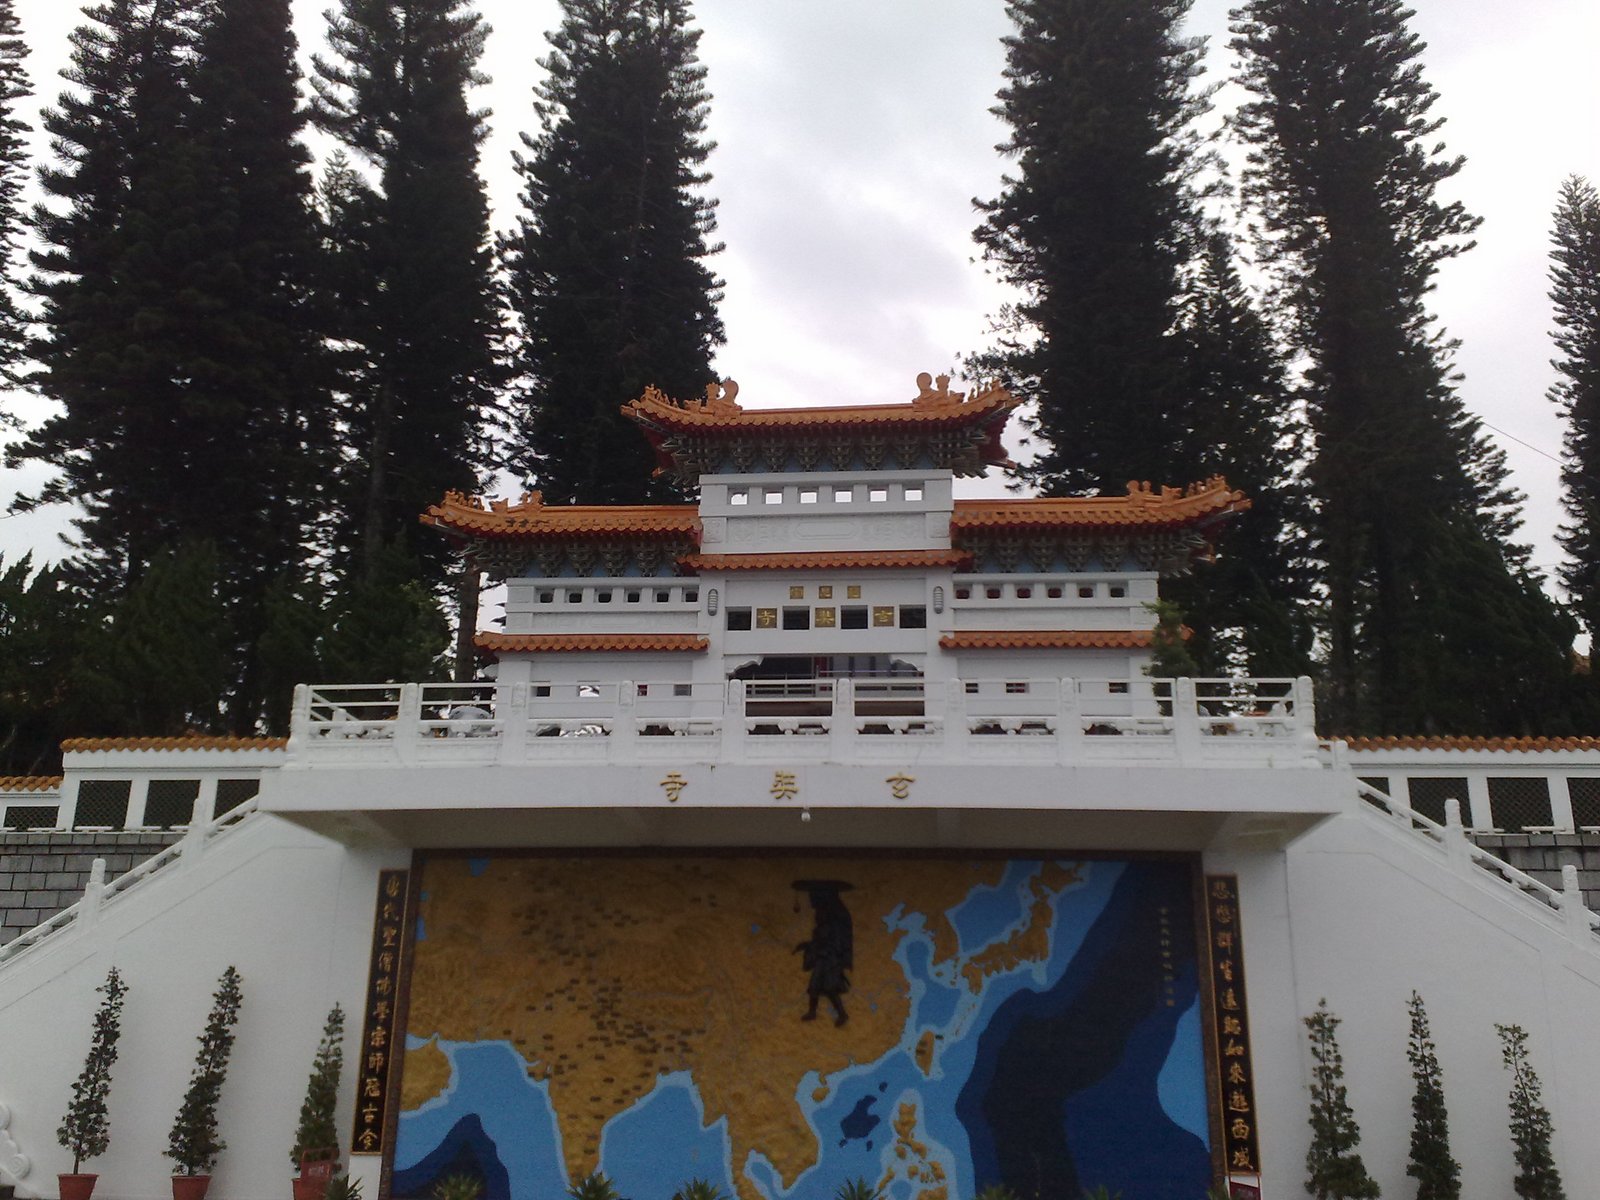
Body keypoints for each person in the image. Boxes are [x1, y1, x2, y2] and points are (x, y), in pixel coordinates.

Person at [792, 879, 854, 1026]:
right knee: (815, 986)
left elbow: (835, 943)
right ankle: (813, 1011)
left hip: (830, 960)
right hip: (823, 959)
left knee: (830, 987)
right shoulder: (824, 920)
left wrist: (821, 950)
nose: (812, 903)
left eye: (814, 898)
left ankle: (841, 1014)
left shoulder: (836, 921)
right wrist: (807, 946)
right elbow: (819, 941)